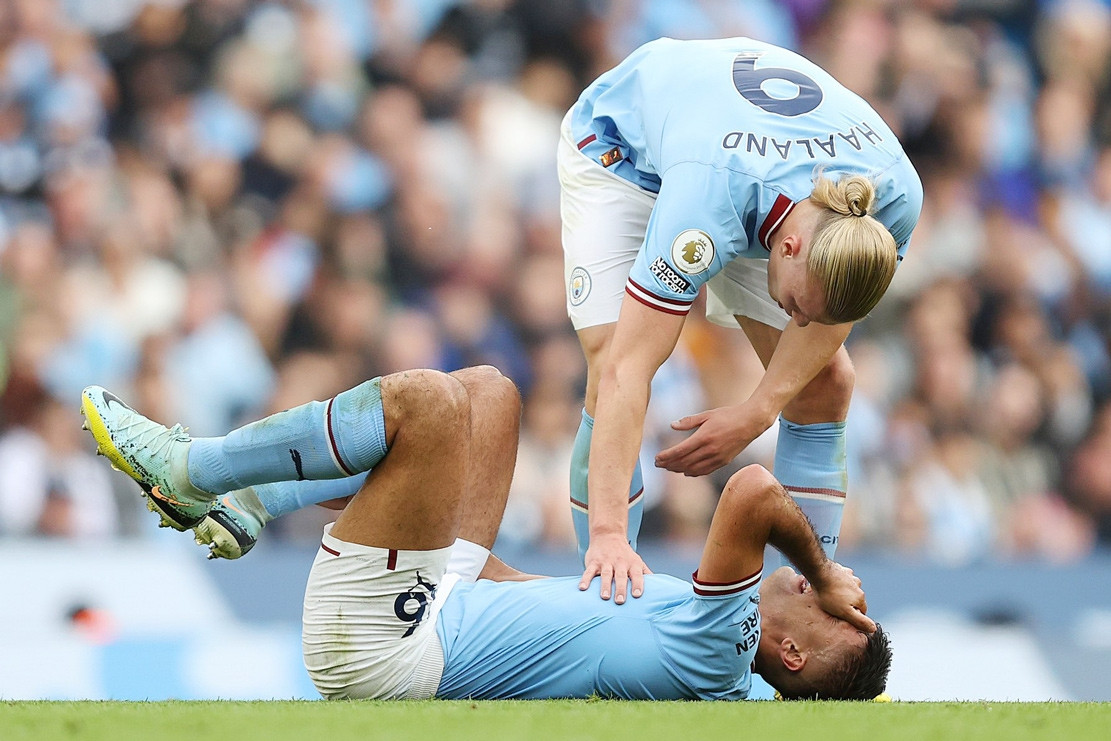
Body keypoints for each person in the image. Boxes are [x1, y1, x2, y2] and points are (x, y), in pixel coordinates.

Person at [79, 365, 890, 701]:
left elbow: (751, 491)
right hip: (446, 598)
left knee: (427, 407)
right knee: (490, 394)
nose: (835, 590)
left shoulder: (723, 644)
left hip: (387, 647)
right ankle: (248, 503)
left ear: (791, 654)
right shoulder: (727, 660)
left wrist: (818, 571)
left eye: (838, 614)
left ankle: (199, 471)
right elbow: (532, 610)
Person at [558, 37, 923, 602]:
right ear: (792, 246)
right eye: (800, 306)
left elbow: (829, 318)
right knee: (612, 354)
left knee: (825, 382)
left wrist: (759, 411)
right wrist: (607, 532)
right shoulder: (706, 205)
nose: (799, 321)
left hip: (738, 158)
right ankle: (606, 578)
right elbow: (627, 373)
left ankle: (810, 594)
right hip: (621, 150)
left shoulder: (892, 197)